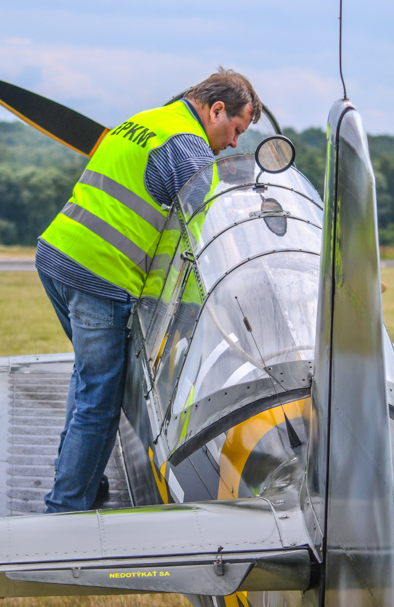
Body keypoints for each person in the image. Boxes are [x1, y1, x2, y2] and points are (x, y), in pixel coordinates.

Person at [35, 68, 262, 512]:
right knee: (101, 398)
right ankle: (66, 509)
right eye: (236, 129)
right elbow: (205, 239)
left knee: (89, 383)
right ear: (217, 110)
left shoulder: (145, 122)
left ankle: (79, 483)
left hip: (57, 258)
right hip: (99, 277)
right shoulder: (190, 151)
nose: (235, 143)